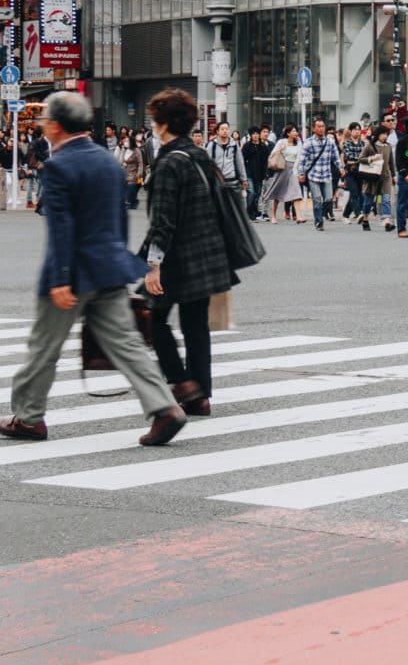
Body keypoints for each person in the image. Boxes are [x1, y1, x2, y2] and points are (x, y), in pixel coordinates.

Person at [1, 93, 187, 446]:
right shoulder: (107, 161)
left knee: (43, 347)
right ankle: (165, 407)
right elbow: (119, 217)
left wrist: (60, 278)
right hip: (110, 267)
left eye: (44, 122)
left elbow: (61, 227)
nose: (42, 127)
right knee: (127, 344)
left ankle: (27, 417)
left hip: (74, 273)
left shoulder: (58, 165)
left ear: (55, 125)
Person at [136, 89, 241, 419]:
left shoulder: (169, 162)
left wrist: (153, 265)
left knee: (153, 317)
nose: (153, 126)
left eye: (155, 120)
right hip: (207, 253)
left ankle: (182, 384)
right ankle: (201, 395)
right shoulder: (199, 156)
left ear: (164, 123)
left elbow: (163, 219)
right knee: (195, 324)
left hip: (177, 257)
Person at [297, 118, 344, 231]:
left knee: (328, 199)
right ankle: (319, 222)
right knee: (317, 201)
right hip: (314, 176)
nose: (321, 128)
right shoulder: (308, 142)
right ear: (314, 128)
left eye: (322, 126)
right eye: (318, 126)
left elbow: (335, 157)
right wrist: (301, 173)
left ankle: (322, 214)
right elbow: (302, 160)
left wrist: (340, 167)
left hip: (327, 176)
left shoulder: (330, 141)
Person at [354, 124, 392, 232]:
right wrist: (372, 158)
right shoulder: (370, 146)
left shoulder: (388, 146)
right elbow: (360, 159)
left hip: (385, 176)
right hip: (372, 176)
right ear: (377, 135)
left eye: (386, 134)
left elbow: (390, 162)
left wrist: (393, 175)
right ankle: (365, 217)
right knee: (368, 200)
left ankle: (386, 221)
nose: (385, 136)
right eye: (383, 134)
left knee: (386, 199)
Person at [263, 124, 304, 223]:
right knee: (277, 193)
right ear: (288, 133)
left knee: (296, 193)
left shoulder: (298, 143)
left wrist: (297, 171)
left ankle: (298, 216)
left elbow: (300, 157)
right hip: (282, 168)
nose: (295, 133)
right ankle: (273, 216)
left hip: (293, 169)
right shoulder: (282, 142)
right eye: (293, 131)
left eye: (296, 131)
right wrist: (280, 149)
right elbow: (273, 154)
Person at [204, 121, 249, 209]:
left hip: (232, 181)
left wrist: (244, 179)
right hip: (216, 181)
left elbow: (240, 163)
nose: (225, 131)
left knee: (233, 208)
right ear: (218, 131)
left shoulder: (234, 145)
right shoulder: (212, 145)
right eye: (222, 129)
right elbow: (206, 163)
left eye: (227, 129)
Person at [242, 126, 270, 221]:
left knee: (257, 194)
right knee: (251, 192)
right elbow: (242, 160)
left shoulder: (263, 147)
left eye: (257, 133)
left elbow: (266, 161)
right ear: (250, 135)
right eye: (253, 134)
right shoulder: (246, 146)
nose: (255, 135)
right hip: (248, 172)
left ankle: (254, 211)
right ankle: (249, 212)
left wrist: (266, 172)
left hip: (260, 173)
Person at [118, 134, 146, 209]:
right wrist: (123, 150)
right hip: (125, 172)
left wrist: (139, 173)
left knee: (131, 188)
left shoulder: (137, 151)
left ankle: (130, 202)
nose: (125, 142)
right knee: (126, 188)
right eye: (125, 141)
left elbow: (140, 163)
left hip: (134, 173)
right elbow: (120, 160)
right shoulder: (125, 150)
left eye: (127, 141)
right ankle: (133, 201)